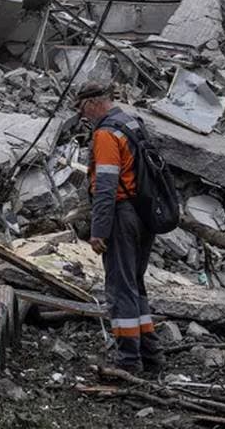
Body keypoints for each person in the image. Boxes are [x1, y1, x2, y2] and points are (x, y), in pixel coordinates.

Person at [77, 81, 161, 376]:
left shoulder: (105, 134)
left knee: (120, 287)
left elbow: (106, 187)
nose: (82, 115)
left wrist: (99, 230)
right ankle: (151, 354)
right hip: (144, 213)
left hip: (122, 216)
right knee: (135, 284)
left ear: (92, 103)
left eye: (81, 108)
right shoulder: (132, 123)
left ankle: (128, 361)